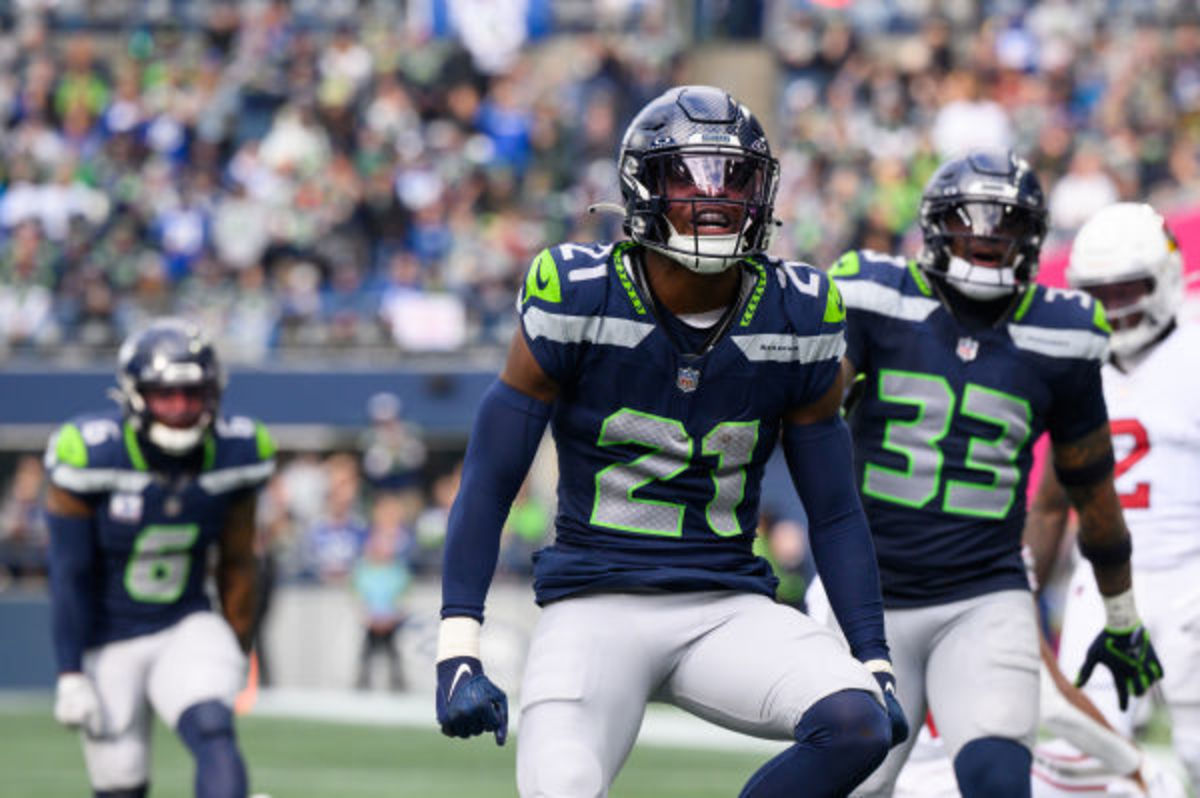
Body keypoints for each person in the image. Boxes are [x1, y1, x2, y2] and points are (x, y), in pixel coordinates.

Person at [434, 84, 908, 797]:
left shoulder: (799, 313)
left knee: (859, 724)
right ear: (642, 189)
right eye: (688, 176)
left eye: (733, 178)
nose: (714, 199)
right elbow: (490, 479)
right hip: (594, 603)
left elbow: (835, 509)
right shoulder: (577, 292)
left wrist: (872, 658)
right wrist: (457, 648)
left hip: (725, 604)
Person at [829, 150, 1163, 798]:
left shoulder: (1062, 334)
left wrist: (1120, 617)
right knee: (855, 782)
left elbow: (1090, 492)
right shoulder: (875, 298)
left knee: (998, 783)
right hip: (863, 594)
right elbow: (806, 423)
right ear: (933, 226)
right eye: (969, 219)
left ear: (1033, 240)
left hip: (983, 595)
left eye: (1006, 223)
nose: (986, 237)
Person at [44, 317, 276, 798]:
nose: (180, 408)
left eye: (192, 394)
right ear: (134, 394)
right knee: (120, 785)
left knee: (214, 728)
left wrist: (236, 645)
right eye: (165, 394)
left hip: (183, 623)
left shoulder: (238, 450)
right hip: (108, 638)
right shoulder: (91, 452)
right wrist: (69, 671)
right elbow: (70, 572)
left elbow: (238, 561)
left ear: (213, 394)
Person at [1024, 202, 1199, 792]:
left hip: (1192, 578)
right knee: (1080, 764)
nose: (1116, 308)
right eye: (1100, 293)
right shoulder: (1080, 365)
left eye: (1128, 288)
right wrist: (1019, 591)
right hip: (1102, 586)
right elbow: (1051, 500)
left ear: (1166, 277)